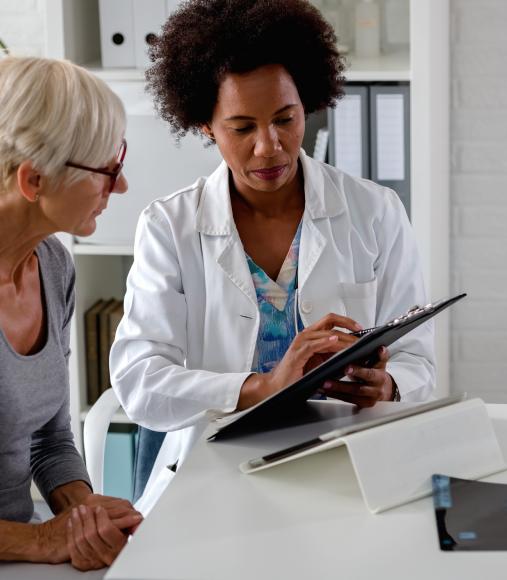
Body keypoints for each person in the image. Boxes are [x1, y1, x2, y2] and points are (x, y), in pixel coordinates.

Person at [110, 0, 435, 495]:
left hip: (347, 466)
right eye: (242, 128)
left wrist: (389, 386)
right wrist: (260, 387)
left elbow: (418, 361)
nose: (269, 146)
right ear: (205, 125)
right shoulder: (169, 227)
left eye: (285, 119)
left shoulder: (376, 211)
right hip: (213, 475)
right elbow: (139, 382)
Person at [0, 56, 142, 571]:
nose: (120, 186)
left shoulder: (53, 265)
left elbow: (48, 438)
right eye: (106, 170)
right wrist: (41, 542)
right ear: (34, 181)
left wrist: (85, 512)